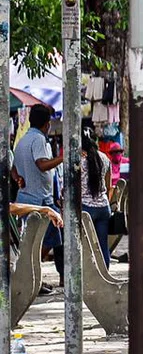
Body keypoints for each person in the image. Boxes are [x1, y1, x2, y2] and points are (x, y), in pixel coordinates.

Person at [13, 104, 64, 284]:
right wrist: (62, 158)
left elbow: (13, 168)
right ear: (47, 124)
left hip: (26, 198)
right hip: (40, 200)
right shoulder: (39, 140)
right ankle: (31, 274)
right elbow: (41, 164)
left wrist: (18, 177)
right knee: (49, 239)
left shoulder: (22, 141)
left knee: (34, 240)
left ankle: (32, 275)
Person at [80, 131, 114, 266]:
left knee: (84, 244)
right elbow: (109, 185)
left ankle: (88, 274)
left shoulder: (80, 162)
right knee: (102, 244)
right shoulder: (105, 158)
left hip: (85, 207)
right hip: (103, 207)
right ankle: (105, 271)